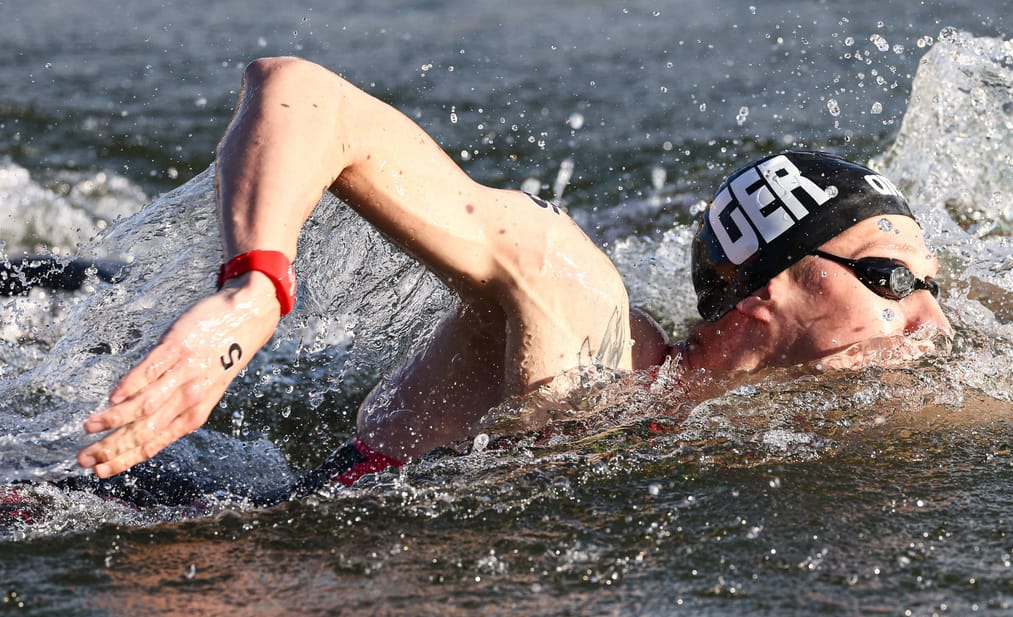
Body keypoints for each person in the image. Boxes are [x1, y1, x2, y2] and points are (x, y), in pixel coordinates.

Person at [73, 57, 951, 497]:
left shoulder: (756, 426)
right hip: (145, 521)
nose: (929, 322)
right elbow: (303, 91)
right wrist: (254, 289)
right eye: (890, 278)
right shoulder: (584, 310)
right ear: (770, 288)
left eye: (931, 290)